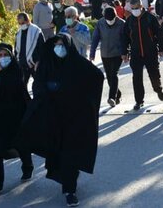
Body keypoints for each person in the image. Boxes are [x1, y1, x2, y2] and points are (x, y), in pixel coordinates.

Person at [20, 34, 104, 207]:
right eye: (56, 45)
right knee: (58, 153)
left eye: (63, 45)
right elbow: (38, 86)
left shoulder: (78, 63)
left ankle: (70, 190)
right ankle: (67, 179)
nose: (60, 49)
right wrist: (48, 91)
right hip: (53, 118)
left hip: (74, 119)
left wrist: (77, 94)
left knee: (70, 154)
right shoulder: (47, 64)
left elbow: (97, 77)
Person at [0, 44, 33, 196]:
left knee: (21, 145)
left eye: (6, 55)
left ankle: (27, 166)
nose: (3, 58)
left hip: (15, 117)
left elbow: (13, 89)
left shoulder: (16, 70)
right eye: (0, 55)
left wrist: (1, 74)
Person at [121, 0, 163, 111]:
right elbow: (125, 38)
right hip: (136, 53)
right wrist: (124, 52)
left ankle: (158, 89)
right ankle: (139, 101)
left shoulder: (150, 18)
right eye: (132, 9)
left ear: (141, 7)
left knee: (154, 74)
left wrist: (161, 48)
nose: (134, 10)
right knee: (137, 78)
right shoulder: (129, 21)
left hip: (150, 52)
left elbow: (159, 34)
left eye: (136, 8)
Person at [90, 7, 125, 107]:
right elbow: (95, 39)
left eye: (112, 19)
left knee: (114, 74)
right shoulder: (100, 23)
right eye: (108, 19)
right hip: (105, 54)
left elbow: (125, 40)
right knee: (109, 77)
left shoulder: (121, 23)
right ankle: (118, 94)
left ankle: (111, 98)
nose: (110, 21)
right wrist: (92, 54)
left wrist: (126, 53)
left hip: (117, 53)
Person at [15, 13, 45, 85]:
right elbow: (16, 49)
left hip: (34, 64)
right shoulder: (18, 33)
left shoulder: (37, 31)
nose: (21, 25)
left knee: (39, 85)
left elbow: (42, 48)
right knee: (22, 86)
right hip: (22, 64)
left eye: (22, 23)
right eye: (19, 23)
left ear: (27, 21)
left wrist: (39, 61)